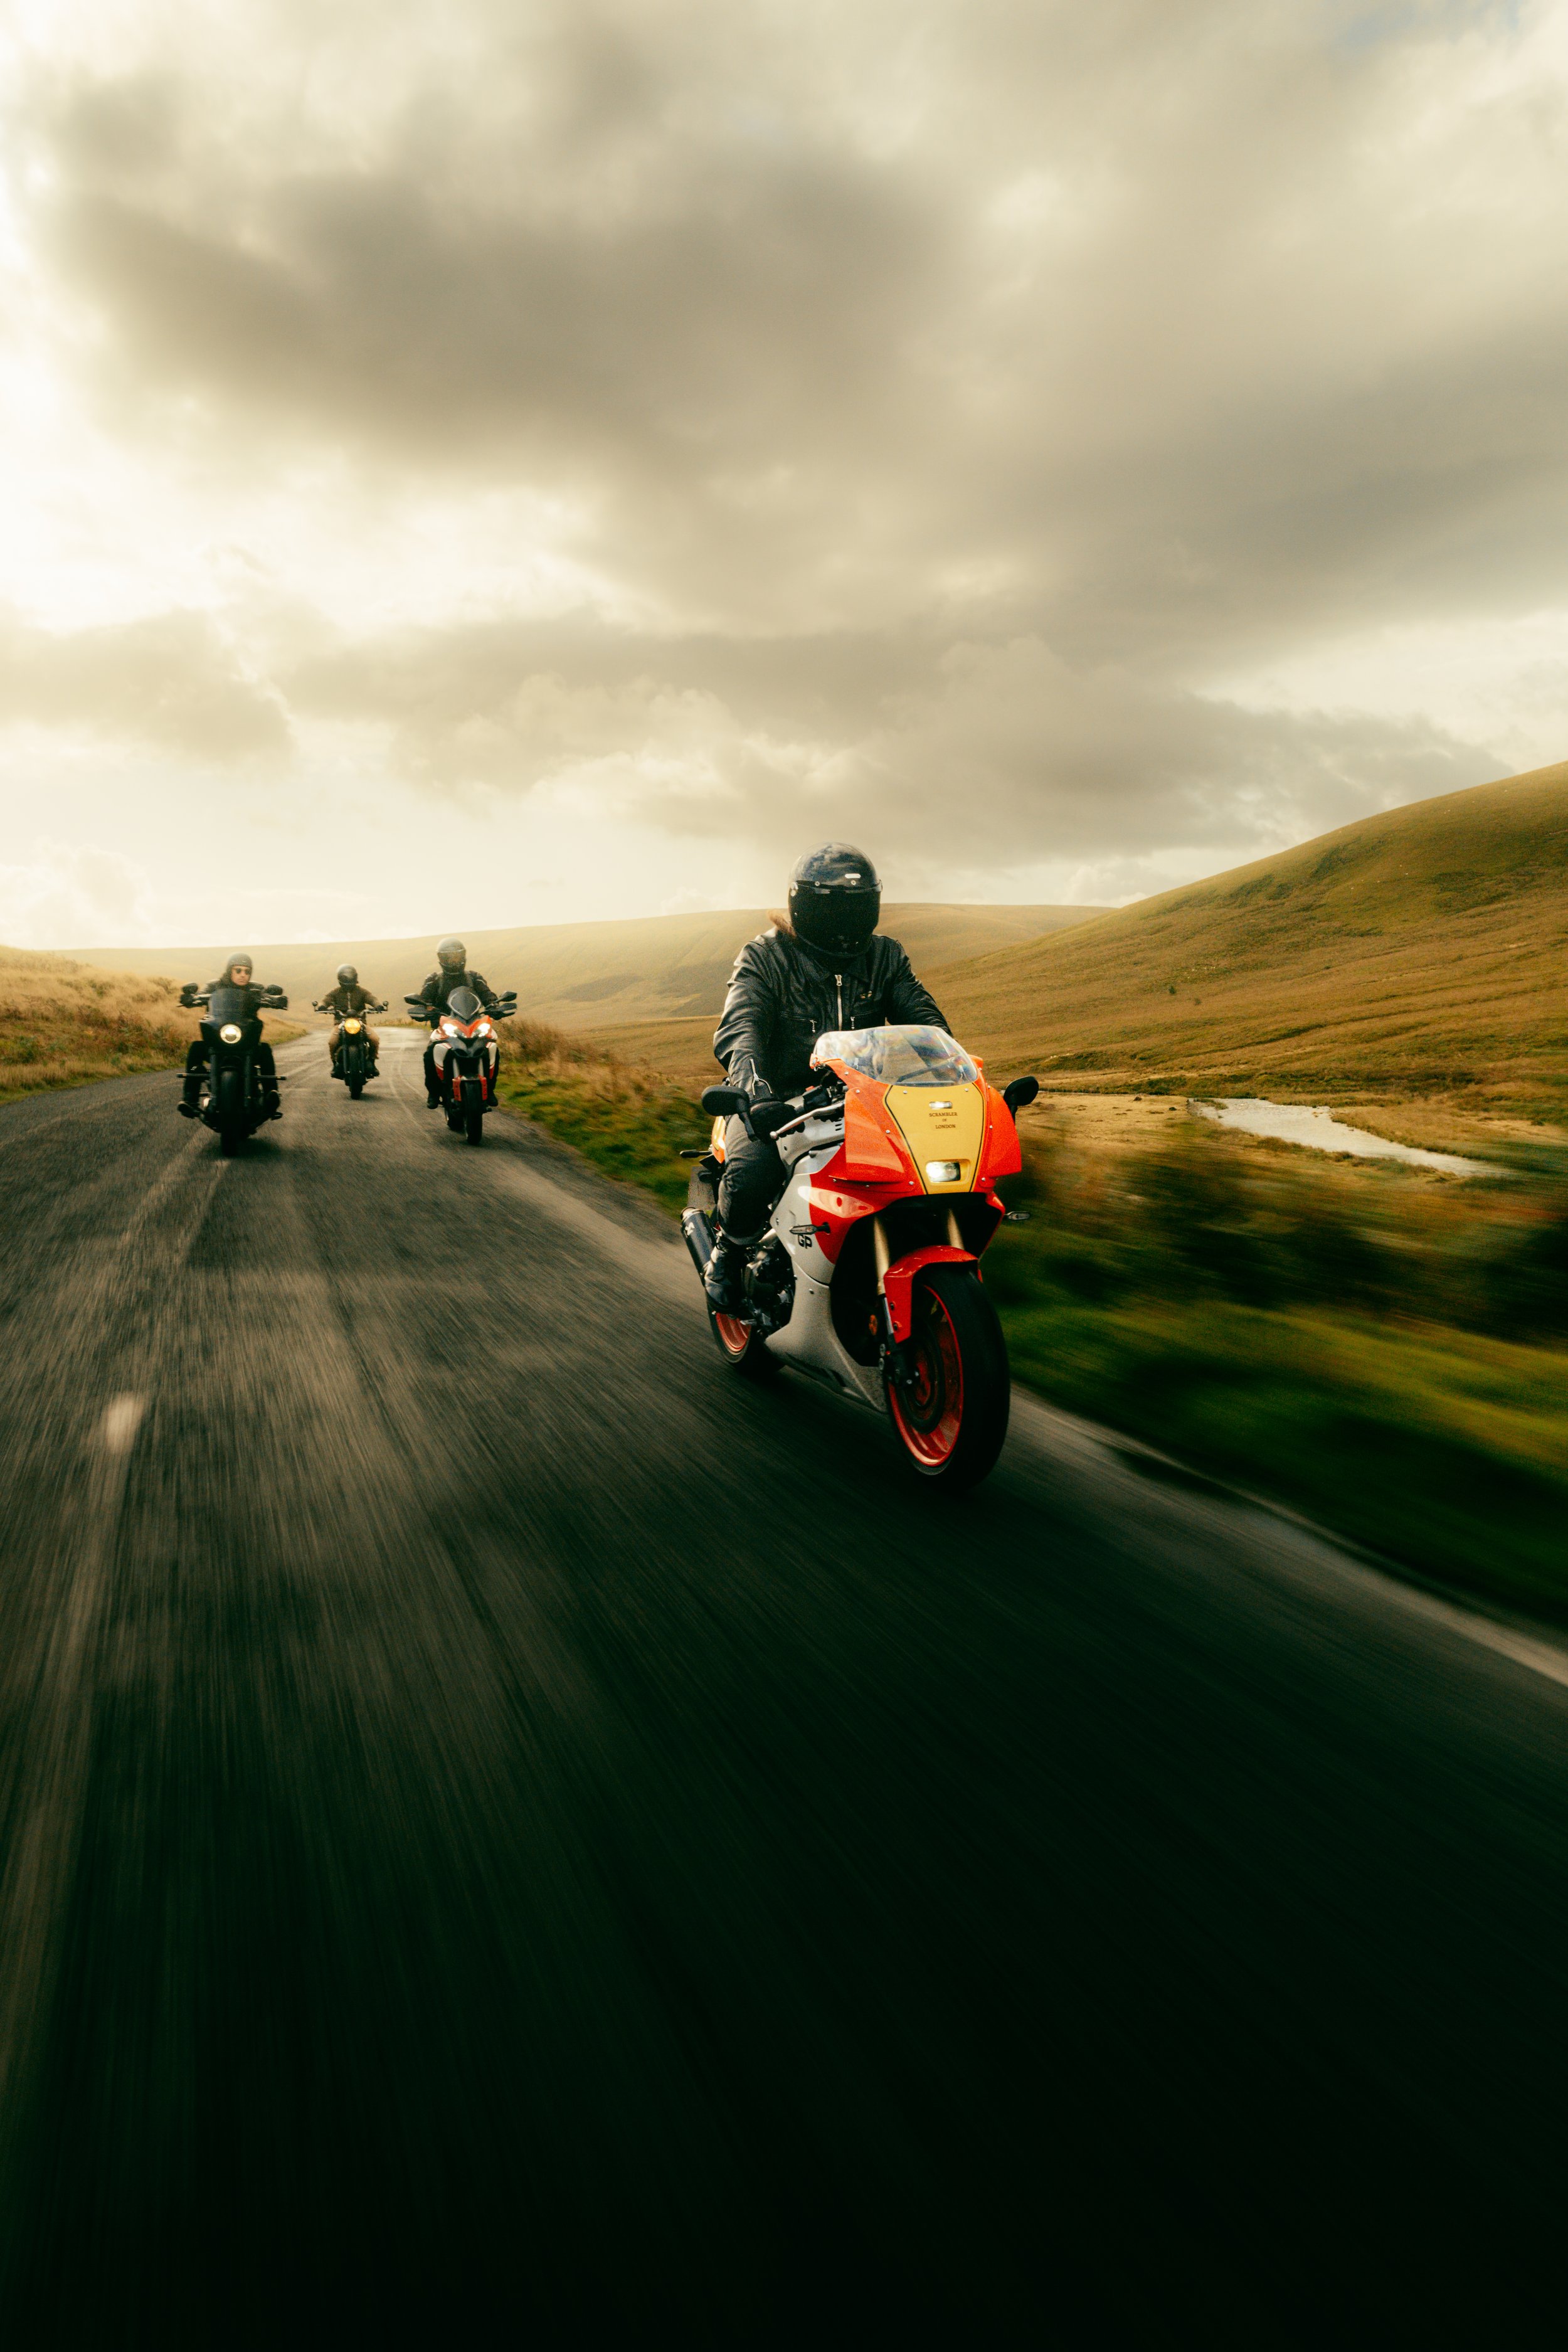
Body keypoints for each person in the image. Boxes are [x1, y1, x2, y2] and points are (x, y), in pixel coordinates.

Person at [704, 843, 949, 1311]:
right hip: (780, 1101)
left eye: (856, 908)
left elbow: (924, 1022)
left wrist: (946, 1071)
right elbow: (742, 1027)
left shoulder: (885, 957)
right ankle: (729, 1254)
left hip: (868, 1101)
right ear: (805, 906)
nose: (845, 922)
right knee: (754, 1171)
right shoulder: (766, 957)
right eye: (833, 909)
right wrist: (756, 1091)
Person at [177, 953, 283, 1120]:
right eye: (238, 970)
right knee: (197, 1048)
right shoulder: (214, 986)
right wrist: (191, 998)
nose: (243, 975)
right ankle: (190, 1099)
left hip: (246, 1040)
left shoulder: (255, 988)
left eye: (247, 972)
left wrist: (276, 1000)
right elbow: (200, 995)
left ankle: (271, 1096)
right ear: (230, 971)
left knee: (264, 1050)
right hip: (218, 1037)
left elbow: (267, 996)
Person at [415, 937, 502, 1108]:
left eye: (457, 956)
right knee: (430, 1054)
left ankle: (490, 1089)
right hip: (444, 1027)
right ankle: (433, 1093)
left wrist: (494, 1006)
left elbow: (487, 995)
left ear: (463, 956)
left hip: (473, 1024)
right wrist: (425, 1010)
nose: (454, 961)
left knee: (492, 1049)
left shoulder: (474, 978)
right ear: (442, 960)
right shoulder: (434, 980)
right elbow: (424, 1000)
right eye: (449, 957)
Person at [319, 963, 382, 1078]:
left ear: (355, 977)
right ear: (340, 978)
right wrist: (322, 1005)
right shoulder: (335, 992)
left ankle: (372, 1063)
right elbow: (326, 999)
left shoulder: (362, 991)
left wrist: (378, 1005)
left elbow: (371, 998)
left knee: (375, 1039)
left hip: (360, 1022)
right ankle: (335, 1064)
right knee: (332, 1042)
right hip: (340, 1023)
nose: (349, 978)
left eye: (351, 975)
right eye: (346, 976)